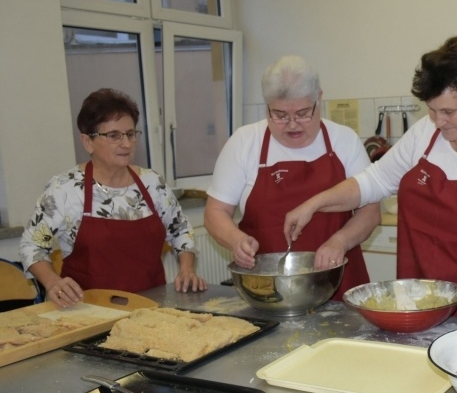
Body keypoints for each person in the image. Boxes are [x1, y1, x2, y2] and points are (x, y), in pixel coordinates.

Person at [285, 36, 457, 322]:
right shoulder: (425, 133)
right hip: (418, 308)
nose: (438, 121)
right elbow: (375, 181)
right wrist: (314, 204)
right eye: (432, 110)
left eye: (449, 112)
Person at [204, 55, 378, 300]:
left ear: (319, 99)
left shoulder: (344, 140)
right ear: (266, 106)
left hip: (338, 282)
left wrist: (340, 241)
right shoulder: (244, 142)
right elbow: (215, 212)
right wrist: (236, 240)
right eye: (280, 115)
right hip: (269, 290)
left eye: (303, 113)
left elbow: (370, 211)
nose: (292, 124)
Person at [20, 88, 207, 307]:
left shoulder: (152, 183)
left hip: (151, 307)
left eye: (130, 134)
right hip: (89, 311)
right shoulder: (64, 190)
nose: (126, 144)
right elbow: (31, 246)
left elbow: (181, 231)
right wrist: (53, 282)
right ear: (88, 142)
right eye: (114, 136)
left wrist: (186, 269)